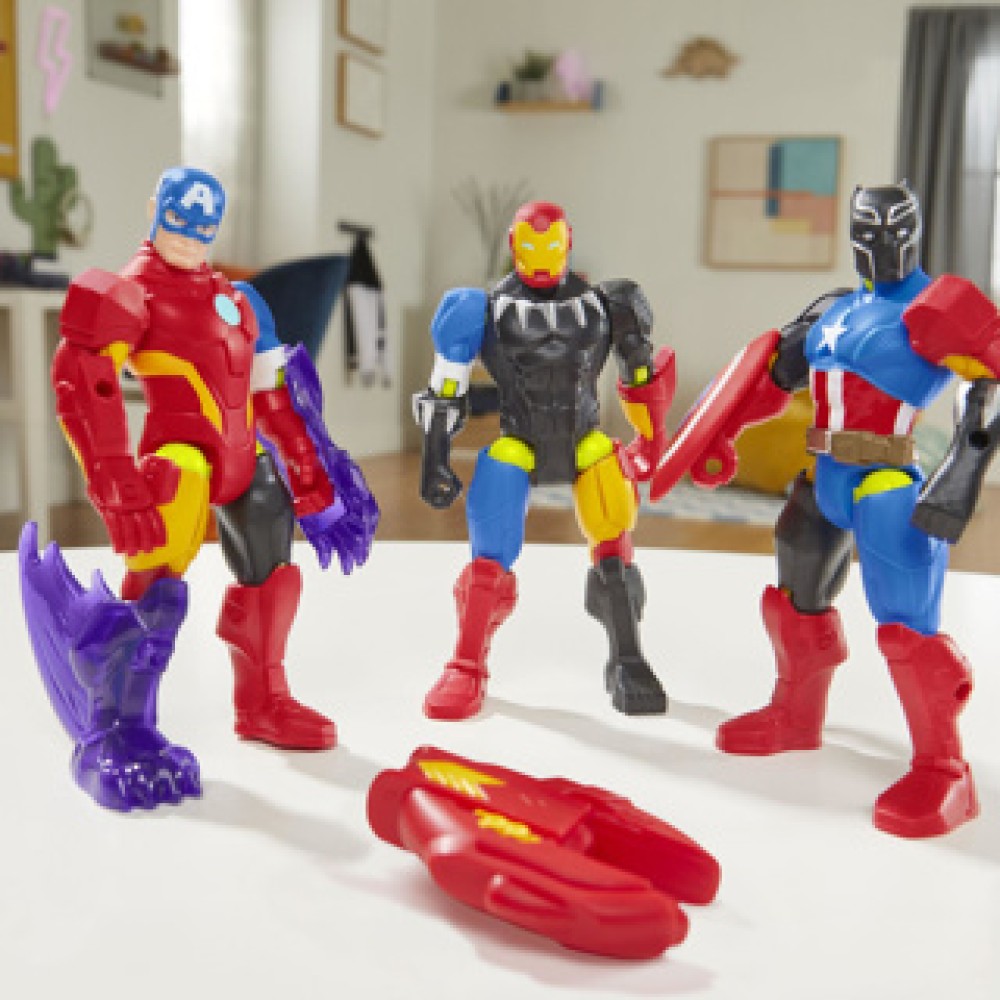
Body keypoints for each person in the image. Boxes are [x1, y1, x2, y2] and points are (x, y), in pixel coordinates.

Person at [20, 166, 378, 811]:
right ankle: (119, 730)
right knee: (158, 587)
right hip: (180, 456)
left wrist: (314, 486)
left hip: (242, 459)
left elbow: (274, 399)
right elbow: (84, 380)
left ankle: (263, 700)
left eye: (202, 226)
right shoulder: (131, 293)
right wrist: (115, 479)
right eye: (177, 222)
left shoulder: (242, 301)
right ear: (155, 211)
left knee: (272, 573)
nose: (188, 237)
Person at [651, 182, 1000, 838]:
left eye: (892, 229)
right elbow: (768, 380)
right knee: (795, 601)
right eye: (867, 231)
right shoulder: (833, 310)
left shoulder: (937, 306)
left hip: (885, 480)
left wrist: (963, 469)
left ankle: (944, 766)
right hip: (824, 478)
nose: (880, 243)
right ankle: (795, 716)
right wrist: (722, 436)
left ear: (913, 230)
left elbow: (993, 376)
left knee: (906, 630)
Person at [413, 200, 674, 720]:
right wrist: (435, 456)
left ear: (567, 242)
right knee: (490, 548)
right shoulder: (478, 308)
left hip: (585, 438)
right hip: (520, 438)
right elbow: (446, 387)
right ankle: (466, 664)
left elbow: (640, 376)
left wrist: (651, 443)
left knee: (613, 533)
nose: (540, 257)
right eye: (530, 246)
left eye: (550, 245)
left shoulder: (609, 303)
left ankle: (628, 659)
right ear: (513, 245)